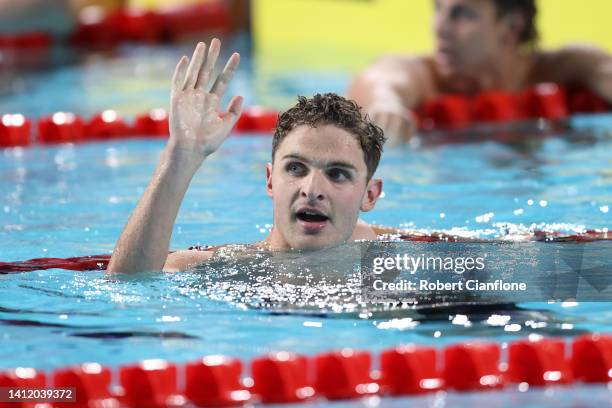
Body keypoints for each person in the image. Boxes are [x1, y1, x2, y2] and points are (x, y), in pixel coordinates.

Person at [107, 39, 385, 273]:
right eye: (296, 168)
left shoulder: (379, 247)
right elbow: (129, 283)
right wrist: (181, 155)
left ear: (369, 195)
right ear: (270, 180)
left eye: (337, 173)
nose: (312, 190)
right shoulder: (225, 269)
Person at [348, 0, 612, 142]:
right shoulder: (423, 76)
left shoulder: (565, 67)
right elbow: (383, 82)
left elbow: (602, 69)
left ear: (511, 27)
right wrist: (386, 106)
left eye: (462, 14)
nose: (440, 28)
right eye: (437, 8)